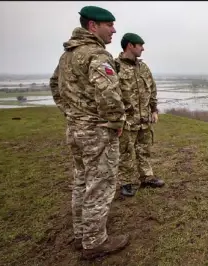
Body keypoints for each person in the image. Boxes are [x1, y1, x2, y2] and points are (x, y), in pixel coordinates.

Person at [49, 5, 130, 259]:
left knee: (82, 180)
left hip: (75, 129)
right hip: (97, 131)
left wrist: (72, 112)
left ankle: (80, 234)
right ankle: (94, 242)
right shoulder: (96, 55)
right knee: (100, 183)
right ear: (93, 26)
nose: (114, 30)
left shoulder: (67, 55)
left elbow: (55, 85)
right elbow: (109, 94)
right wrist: (116, 123)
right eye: (109, 25)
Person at [114, 33, 164, 197]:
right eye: (140, 45)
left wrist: (154, 109)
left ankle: (147, 177)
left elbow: (152, 89)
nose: (143, 48)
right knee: (126, 152)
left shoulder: (143, 67)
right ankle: (125, 184)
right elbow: (109, 94)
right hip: (126, 121)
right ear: (130, 45)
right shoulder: (115, 66)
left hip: (144, 119)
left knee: (144, 150)